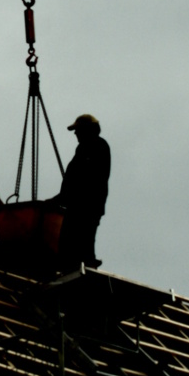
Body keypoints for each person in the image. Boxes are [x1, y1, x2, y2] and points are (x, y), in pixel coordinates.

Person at [51, 113, 111, 269]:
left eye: (78, 130)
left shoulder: (96, 146)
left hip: (85, 205)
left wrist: (63, 197)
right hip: (82, 203)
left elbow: (84, 179)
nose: (75, 134)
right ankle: (80, 266)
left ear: (88, 130)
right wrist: (62, 197)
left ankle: (82, 268)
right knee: (77, 241)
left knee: (76, 240)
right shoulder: (88, 147)